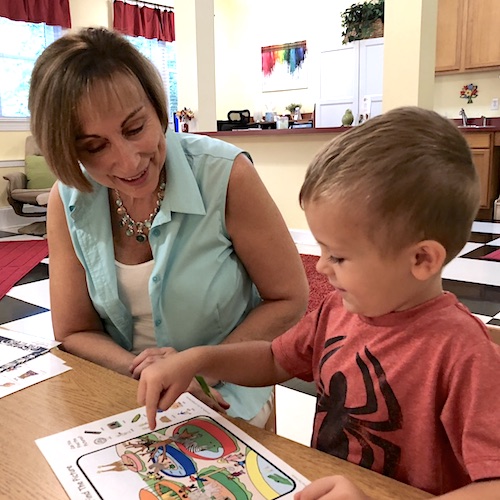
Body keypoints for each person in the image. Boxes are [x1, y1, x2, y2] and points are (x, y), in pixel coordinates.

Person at [137, 107, 500, 498]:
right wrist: (198, 359)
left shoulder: (466, 355)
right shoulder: (339, 310)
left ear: (421, 259)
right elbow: (276, 360)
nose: (322, 266)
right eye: (322, 249)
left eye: (339, 256)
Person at [28, 27, 309, 426]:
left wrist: (200, 369)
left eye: (135, 128)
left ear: (158, 108)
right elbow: (74, 330)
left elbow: (290, 300)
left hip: (229, 395)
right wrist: (147, 373)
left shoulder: (226, 175)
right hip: (122, 394)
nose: (128, 162)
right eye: (94, 147)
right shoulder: (67, 198)